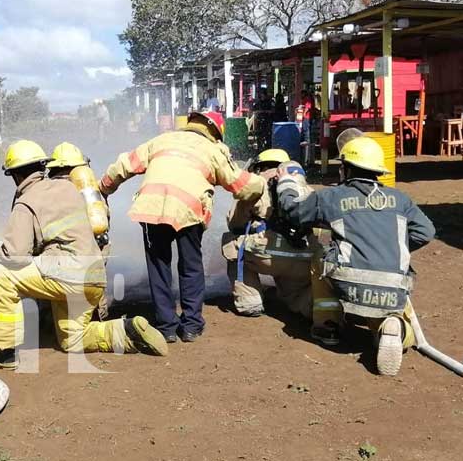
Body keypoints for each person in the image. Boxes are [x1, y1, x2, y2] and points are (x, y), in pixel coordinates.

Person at [0, 140, 167, 370]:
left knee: (1, 275)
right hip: (94, 278)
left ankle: (2, 353)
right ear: (42, 166)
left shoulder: (26, 203)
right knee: (72, 340)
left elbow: (15, 254)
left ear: (14, 175)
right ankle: (126, 331)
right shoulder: (68, 188)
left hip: (67, 276)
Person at [276, 131, 435, 376]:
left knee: (320, 257)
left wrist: (286, 183)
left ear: (346, 169)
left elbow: (294, 212)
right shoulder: (400, 199)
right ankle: (393, 327)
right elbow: (426, 231)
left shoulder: (332, 197)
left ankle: (327, 326)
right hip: (394, 287)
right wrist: (392, 246)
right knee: (386, 314)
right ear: (378, 171)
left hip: (349, 284)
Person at [98, 111, 265, 343]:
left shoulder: (162, 140)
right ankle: (191, 326)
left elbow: (125, 164)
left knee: (159, 265)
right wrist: (262, 183)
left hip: (152, 206)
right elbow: (240, 185)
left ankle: (166, 327)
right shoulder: (213, 149)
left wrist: (104, 187)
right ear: (216, 133)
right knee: (191, 266)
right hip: (189, 209)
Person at [222, 149, 322, 320]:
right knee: (296, 290)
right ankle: (306, 304)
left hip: (268, 254)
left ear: (260, 167)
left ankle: (250, 301)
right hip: (304, 257)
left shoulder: (257, 185)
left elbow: (235, 224)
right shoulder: (307, 188)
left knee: (230, 242)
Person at [46, 141, 112, 319]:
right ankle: (98, 317)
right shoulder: (91, 188)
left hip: (67, 252)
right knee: (95, 284)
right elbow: (105, 218)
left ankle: (60, 321)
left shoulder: (51, 189)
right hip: (98, 246)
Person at [252, 88, 274, 152]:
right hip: (260, 121)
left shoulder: (270, 102)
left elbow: (273, 111)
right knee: (259, 136)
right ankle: (259, 149)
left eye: (262, 94)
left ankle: (268, 149)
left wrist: (263, 111)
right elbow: (253, 110)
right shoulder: (258, 102)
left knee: (268, 136)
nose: (262, 96)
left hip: (267, 121)